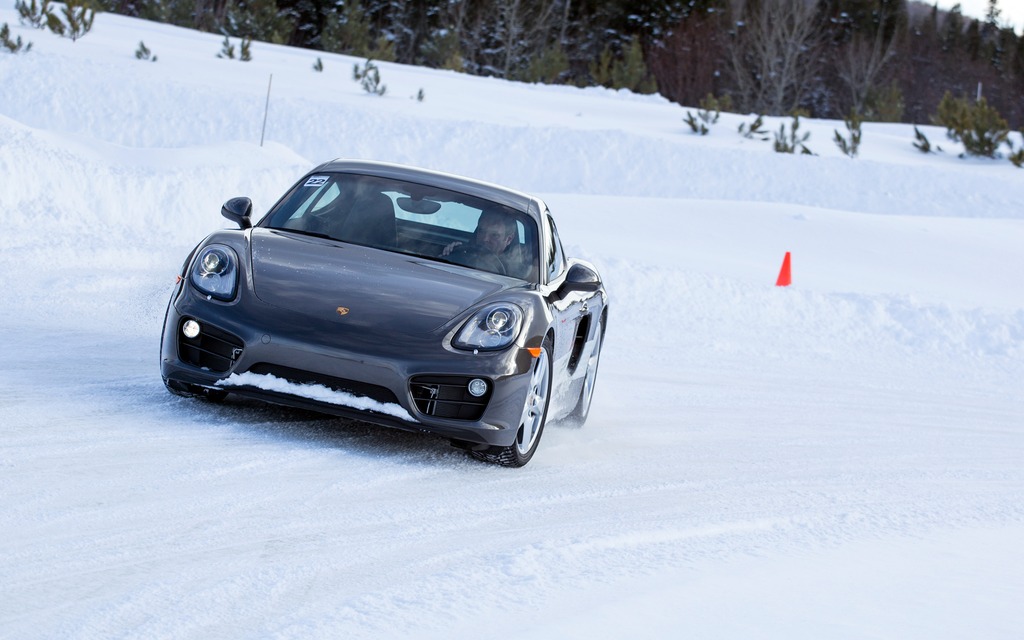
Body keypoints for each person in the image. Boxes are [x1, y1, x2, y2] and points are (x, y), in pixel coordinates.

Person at [441, 210, 518, 274]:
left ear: (509, 239)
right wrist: (450, 254)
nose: (485, 239)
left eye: (494, 235)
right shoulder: (462, 253)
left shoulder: (516, 274)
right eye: (481, 231)